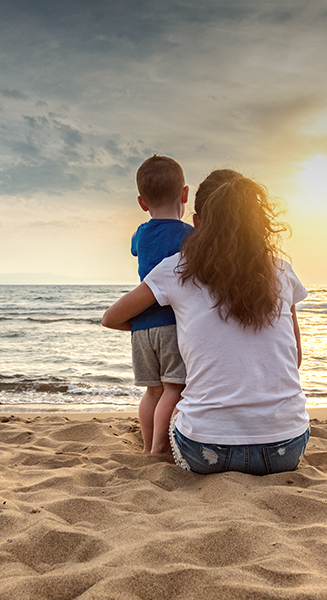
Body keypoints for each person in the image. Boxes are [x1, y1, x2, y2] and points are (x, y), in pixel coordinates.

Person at [103, 169, 309, 475]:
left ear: (196, 224)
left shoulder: (175, 269)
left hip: (206, 450)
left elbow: (111, 318)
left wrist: (178, 326)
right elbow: (296, 360)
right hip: (285, 448)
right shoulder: (281, 271)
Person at [128, 155, 194, 454]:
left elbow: (134, 251)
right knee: (173, 388)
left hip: (140, 326)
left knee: (152, 390)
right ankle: (159, 449)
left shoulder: (140, 234)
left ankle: (146, 446)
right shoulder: (189, 236)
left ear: (142, 202)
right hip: (170, 323)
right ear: (185, 194)